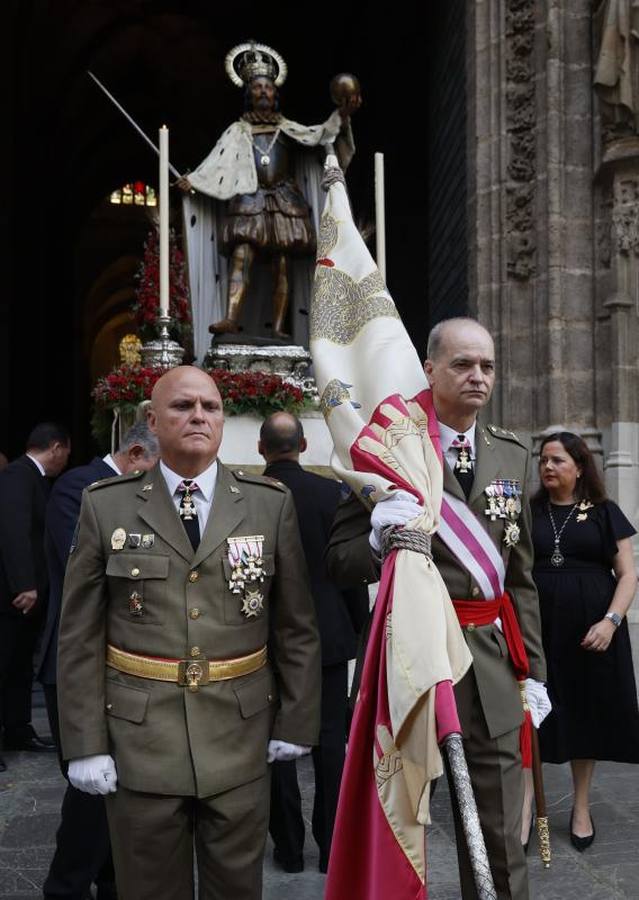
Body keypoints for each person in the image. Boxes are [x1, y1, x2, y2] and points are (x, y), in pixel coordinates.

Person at [57, 365, 321, 900]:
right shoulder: (105, 504)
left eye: (211, 406)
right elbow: (79, 635)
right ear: (152, 421)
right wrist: (85, 744)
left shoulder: (268, 504)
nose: (199, 415)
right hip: (140, 741)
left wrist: (296, 721)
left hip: (239, 737)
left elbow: (295, 626)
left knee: (237, 890)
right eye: (182, 406)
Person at [325, 317, 550, 899]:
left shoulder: (512, 455)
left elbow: (520, 577)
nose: (478, 377)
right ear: (430, 369)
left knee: (500, 838)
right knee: (396, 819)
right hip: (410, 662)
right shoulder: (386, 450)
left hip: (491, 667)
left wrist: (535, 675)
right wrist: (378, 538)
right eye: (462, 364)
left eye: (488, 366)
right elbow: (339, 561)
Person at [39, 422, 159, 900]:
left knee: (115, 788)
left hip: (121, 663)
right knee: (90, 793)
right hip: (77, 662)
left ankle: (111, 883)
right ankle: (65, 888)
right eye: (153, 469)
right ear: (133, 454)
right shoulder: (81, 488)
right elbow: (93, 579)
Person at [178, 41, 358, 341]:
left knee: (282, 264)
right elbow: (216, 165)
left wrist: (342, 113)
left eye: (268, 87)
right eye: (257, 87)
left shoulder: (288, 129)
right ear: (249, 94)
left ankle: (278, 326)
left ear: (276, 95)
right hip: (250, 196)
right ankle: (230, 318)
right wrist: (193, 180)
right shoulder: (238, 131)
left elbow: (321, 135)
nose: (263, 91)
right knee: (241, 256)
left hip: (284, 199)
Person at [258, 411, 368, 874]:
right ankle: (330, 847)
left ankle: (287, 847)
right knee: (329, 742)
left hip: (262, 635)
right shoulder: (331, 493)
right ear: (303, 447)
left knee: (273, 743)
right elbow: (351, 571)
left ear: (263, 449)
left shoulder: (251, 497)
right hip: (326, 633)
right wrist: (358, 628)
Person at [530, 431, 639, 850]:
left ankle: (579, 807)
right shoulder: (531, 510)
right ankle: (529, 808)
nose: (548, 466)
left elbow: (628, 574)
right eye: (544, 459)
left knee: (585, 714)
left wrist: (611, 621)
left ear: (579, 466)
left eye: (557, 460)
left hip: (592, 633)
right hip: (540, 628)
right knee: (534, 713)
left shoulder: (604, 512)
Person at [0, 421, 71, 772]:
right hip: (13, 597)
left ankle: (17, 729)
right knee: (4, 665)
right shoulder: (18, 474)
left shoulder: (34, 478)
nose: (65, 462)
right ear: (56, 447)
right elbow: (12, 529)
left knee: (18, 669)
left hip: (29, 599)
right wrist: (24, 584)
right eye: (65, 453)